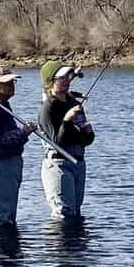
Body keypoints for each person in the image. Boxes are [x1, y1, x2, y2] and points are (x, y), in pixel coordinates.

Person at [0, 64, 39, 228]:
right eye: (6, 83)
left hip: (8, 167)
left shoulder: (3, 106)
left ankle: (8, 252)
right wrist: (23, 133)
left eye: (12, 82)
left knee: (7, 218)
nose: (11, 86)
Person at [37, 60, 96, 219]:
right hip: (58, 165)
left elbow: (85, 140)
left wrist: (88, 133)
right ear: (50, 82)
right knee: (64, 213)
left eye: (67, 76)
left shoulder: (74, 103)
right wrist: (67, 120)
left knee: (76, 212)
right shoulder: (47, 108)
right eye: (60, 77)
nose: (66, 80)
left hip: (78, 163)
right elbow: (57, 142)